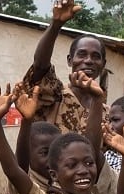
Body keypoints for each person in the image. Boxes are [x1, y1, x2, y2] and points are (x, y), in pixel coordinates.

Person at [26, 0, 107, 135]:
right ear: (70, 60)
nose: (88, 61)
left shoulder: (106, 112)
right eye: (81, 54)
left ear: (103, 64)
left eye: (95, 56)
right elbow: (40, 66)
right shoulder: (54, 95)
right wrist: (56, 25)